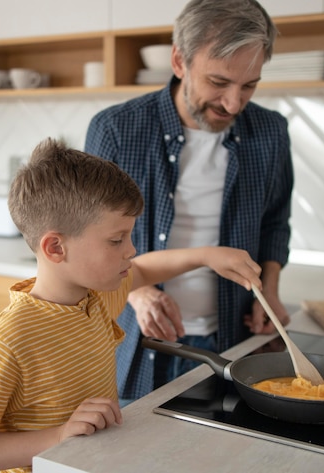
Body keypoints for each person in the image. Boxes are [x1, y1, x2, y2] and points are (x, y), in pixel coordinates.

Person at [0, 138, 262, 473]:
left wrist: (206, 255)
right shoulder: (10, 339)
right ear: (56, 248)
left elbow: (146, 268)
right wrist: (60, 434)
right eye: (116, 240)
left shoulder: (98, 298)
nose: (130, 250)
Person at [84, 0, 294, 404]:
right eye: (219, 82)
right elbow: (89, 239)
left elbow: (274, 223)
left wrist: (270, 288)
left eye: (249, 85)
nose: (234, 104)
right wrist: (135, 291)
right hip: (136, 343)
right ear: (179, 61)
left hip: (234, 341)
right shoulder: (116, 130)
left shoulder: (270, 132)